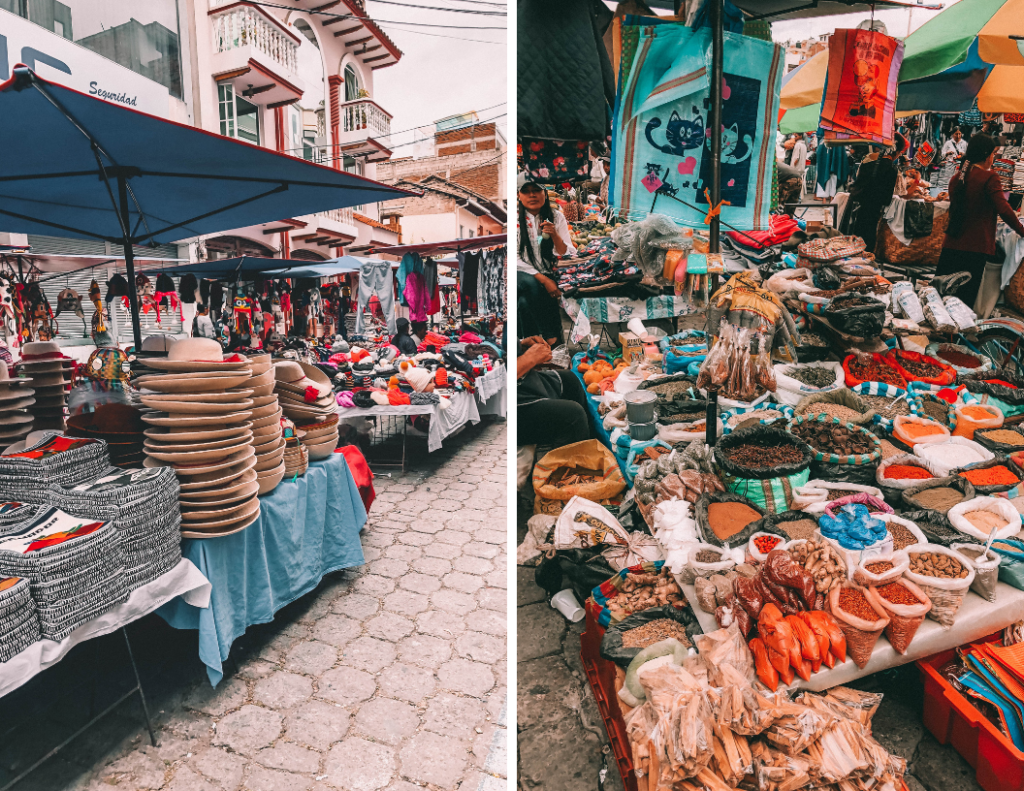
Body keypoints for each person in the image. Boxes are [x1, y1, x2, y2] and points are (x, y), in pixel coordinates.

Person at [934, 133, 1024, 308]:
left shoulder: (956, 179)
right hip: (975, 248)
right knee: (963, 302)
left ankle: (941, 333)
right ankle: (956, 334)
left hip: (951, 245)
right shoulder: (989, 178)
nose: (993, 158)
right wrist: (1022, 230)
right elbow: (1004, 209)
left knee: (941, 297)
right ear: (986, 155)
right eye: (992, 154)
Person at [517, 172, 576, 344]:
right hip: (523, 275)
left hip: (548, 272)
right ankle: (551, 337)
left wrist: (555, 234)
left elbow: (567, 253)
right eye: (526, 191)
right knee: (531, 284)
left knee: (523, 303)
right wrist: (544, 280)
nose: (532, 195)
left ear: (545, 192)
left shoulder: (557, 217)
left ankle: (531, 345)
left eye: (536, 190)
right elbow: (515, 258)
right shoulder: (514, 220)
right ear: (519, 196)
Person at [517, 336, 591, 448]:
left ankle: (587, 444)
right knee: (573, 414)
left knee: (569, 380)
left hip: (526, 381)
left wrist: (521, 346)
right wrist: (529, 358)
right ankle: (569, 462)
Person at [840, 132, 909, 251]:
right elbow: (886, 199)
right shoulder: (891, 169)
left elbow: (858, 180)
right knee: (865, 245)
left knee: (849, 240)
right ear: (896, 152)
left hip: (854, 204)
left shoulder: (868, 158)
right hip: (871, 211)